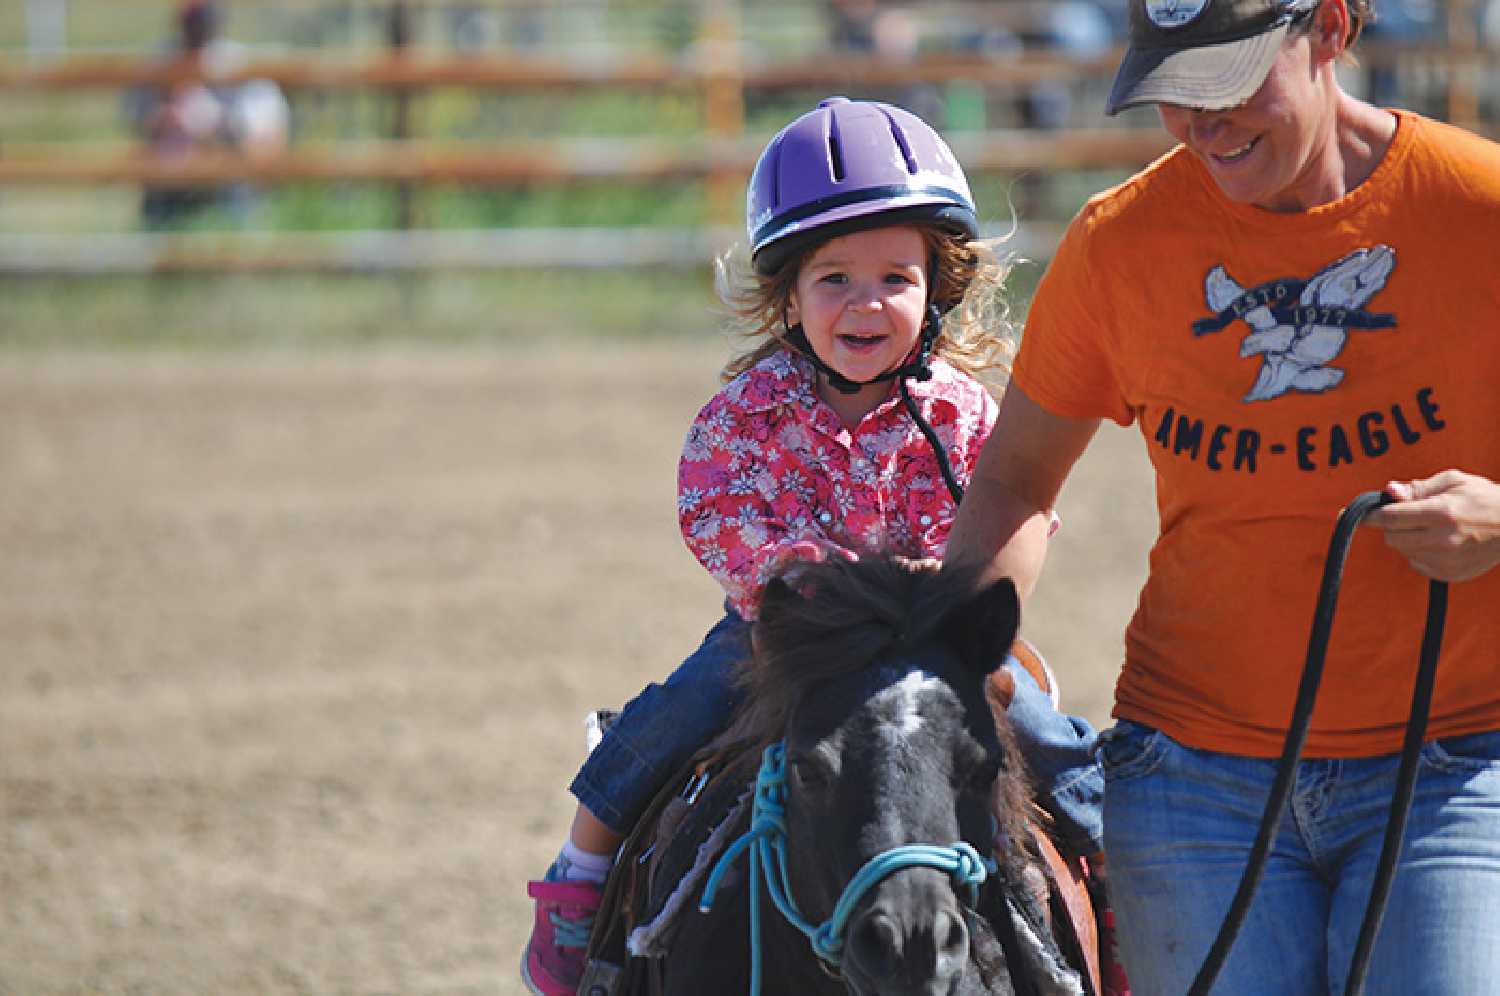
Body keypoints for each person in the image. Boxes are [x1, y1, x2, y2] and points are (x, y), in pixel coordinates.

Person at [943, 0, 1500, 992]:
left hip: (1454, 769)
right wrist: (955, 655)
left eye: (1234, 83)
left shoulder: (1479, 209)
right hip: (1191, 782)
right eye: (1176, 91)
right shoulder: (1120, 244)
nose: (1204, 122)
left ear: (1331, 28)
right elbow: (1017, 480)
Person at [521, 96, 1106, 996]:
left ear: (936, 289)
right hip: (783, 635)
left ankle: (1108, 894)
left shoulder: (968, 413)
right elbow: (712, 507)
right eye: (834, 278)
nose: (865, 303)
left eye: (895, 279)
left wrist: (957, 586)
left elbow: (1014, 512)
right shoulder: (747, 414)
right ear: (788, 295)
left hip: (930, 644)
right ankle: (582, 886)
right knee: (666, 724)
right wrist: (791, 578)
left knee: (1045, 735)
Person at [123, 1, 289, 229]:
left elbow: (266, 134)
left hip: (227, 184)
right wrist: (165, 119)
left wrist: (216, 123)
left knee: (236, 209)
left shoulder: (238, 64)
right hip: (171, 185)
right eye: (193, 22)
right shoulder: (160, 62)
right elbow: (136, 117)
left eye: (202, 21)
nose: (197, 29)